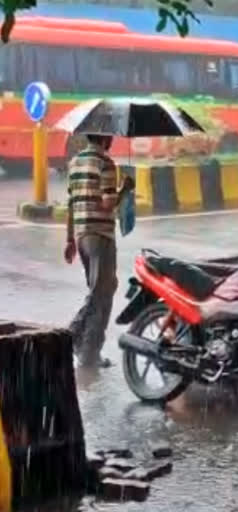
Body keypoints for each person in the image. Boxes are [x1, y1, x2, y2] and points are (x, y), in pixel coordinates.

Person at [65, 134, 134, 368]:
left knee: (103, 289)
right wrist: (124, 189)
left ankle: (85, 347)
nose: (112, 139)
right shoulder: (105, 163)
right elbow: (107, 202)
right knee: (101, 293)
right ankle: (77, 342)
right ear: (104, 137)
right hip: (101, 234)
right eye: (110, 136)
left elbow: (71, 204)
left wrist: (69, 240)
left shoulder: (75, 163)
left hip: (82, 234)